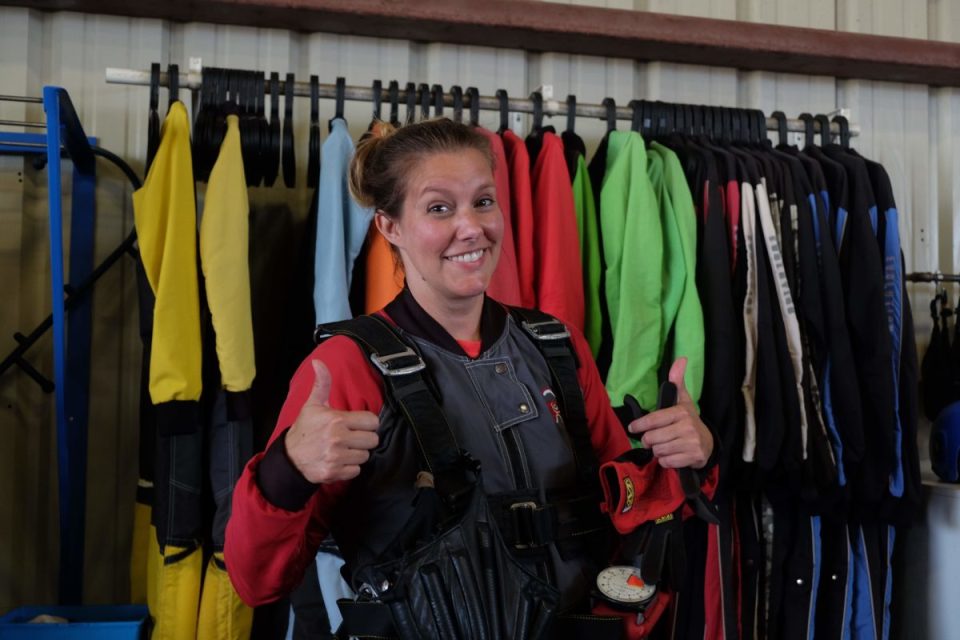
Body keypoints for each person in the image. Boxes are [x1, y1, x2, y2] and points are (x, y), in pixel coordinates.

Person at [225, 118, 716, 639]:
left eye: (483, 201)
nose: (472, 227)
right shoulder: (349, 366)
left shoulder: (558, 346)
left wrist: (688, 456)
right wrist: (289, 468)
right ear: (389, 226)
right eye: (440, 208)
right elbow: (256, 582)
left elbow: (635, 516)